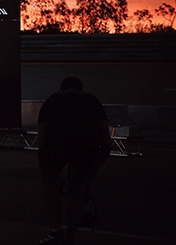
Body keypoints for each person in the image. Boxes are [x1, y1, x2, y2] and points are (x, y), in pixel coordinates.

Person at [37, 76, 111, 245]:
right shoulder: (93, 102)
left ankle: (56, 231)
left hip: (55, 147)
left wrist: (47, 170)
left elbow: (42, 139)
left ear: (62, 89)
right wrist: (91, 175)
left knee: (49, 185)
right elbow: (106, 142)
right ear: (81, 89)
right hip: (85, 148)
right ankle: (70, 238)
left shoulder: (52, 101)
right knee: (76, 191)